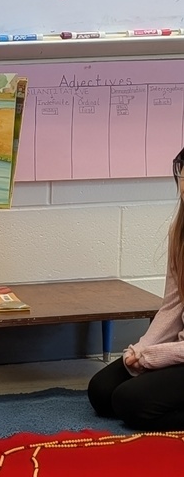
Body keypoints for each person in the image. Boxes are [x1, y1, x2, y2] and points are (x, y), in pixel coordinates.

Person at [87, 145, 184, 431]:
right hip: (179, 348)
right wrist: (142, 349)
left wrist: (155, 357)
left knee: (131, 404)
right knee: (102, 392)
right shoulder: (180, 230)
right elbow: (173, 304)